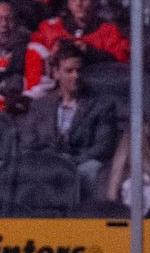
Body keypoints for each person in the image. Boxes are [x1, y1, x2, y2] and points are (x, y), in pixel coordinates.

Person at [22, 42, 119, 185]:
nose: (76, 76)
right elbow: (28, 143)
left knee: (94, 168)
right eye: (69, 71)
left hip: (80, 165)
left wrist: (71, 161)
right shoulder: (40, 106)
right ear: (56, 73)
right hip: (45, 166)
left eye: (79, 70)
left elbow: (103, 147)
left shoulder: (102, 106)